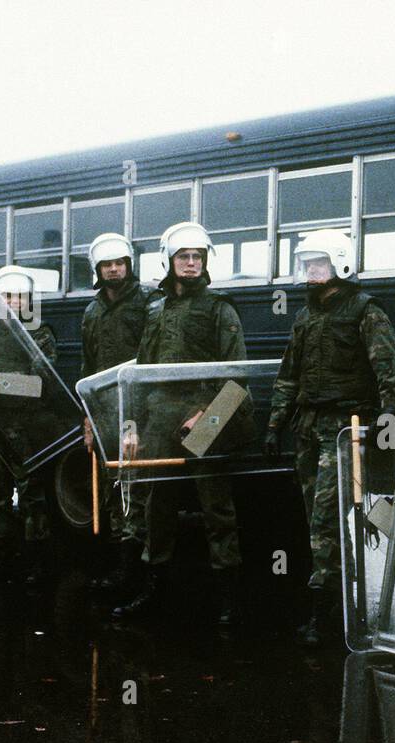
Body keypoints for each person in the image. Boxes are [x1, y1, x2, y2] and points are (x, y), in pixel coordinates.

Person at [265, 229, 395, 646]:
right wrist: (275, 423)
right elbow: (288, 376)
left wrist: (387, 418)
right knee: (316, 521)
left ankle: (322, 615)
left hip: (345, 429)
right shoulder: (305, 317)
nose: (311, 271)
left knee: (326, 520)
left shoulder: (366, 311)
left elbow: (389, 369)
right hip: (308, 428)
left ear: (340, 264)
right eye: (307, 264)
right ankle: (341, 603)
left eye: (319, 263)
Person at [113, 221, 246, 623]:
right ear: (169, 261)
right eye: (183, 256)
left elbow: (235, 374)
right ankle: (154, 593)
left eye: (197, 257)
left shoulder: (220, 307)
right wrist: (131, 424)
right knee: (156, 507)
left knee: (216, 507)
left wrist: (207, 414)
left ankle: (230, 601)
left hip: (205, 415)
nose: (190, 263)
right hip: (159, 415)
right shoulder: (155, 308)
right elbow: (140, 371)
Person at [0, 266, 58, 584]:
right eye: (7, 295)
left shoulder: (40, 333)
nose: (13, 302)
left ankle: (38, 564)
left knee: (32, 496)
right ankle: (1, 558)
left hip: (25, 427)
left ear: (28, 299)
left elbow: (42, 385)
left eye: (19, 296)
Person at [79, 232, 155, 595]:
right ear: (97, 269)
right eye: (107, 265)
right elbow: (88, 366)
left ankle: (134, 574)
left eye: (119, 263)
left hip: (138, 409)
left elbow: (156, 358)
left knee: (135, 489)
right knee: (110, 488)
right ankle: (114, 568)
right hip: (104, 411)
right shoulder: (92, 311)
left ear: (129, 264)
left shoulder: (149, 302)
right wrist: (87, 418)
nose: (113, 270)